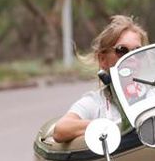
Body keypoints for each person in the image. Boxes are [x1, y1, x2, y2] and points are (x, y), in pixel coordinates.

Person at [53, 15, 149, 143]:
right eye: (122, 50)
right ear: (103, 59)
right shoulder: (95, 102)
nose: (131, 57)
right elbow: (61, 129)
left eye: (138, 51)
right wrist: (108, 126)